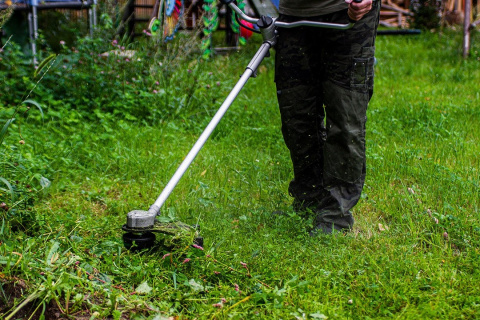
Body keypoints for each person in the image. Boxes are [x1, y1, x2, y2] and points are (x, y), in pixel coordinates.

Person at [274, 0, 380, 234]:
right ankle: (310, 198)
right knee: (297, 115)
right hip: (293, 15)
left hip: (347, 14)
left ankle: (336, 214)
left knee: (345, 114)